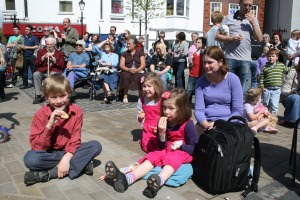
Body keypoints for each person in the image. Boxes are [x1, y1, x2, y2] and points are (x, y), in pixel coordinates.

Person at [104, 88, 198, 198]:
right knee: (152, 156)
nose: (166, 111)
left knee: (174, 157)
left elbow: (193, 147)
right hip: (167, 148)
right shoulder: (163, 121)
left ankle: (159, 181)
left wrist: (180, 146)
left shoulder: (188, 124)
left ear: (182, 109)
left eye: (171, 108)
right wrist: (162, 132)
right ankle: (127, 179)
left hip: (182, 152)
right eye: (164, 107)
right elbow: (161, 146)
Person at [23, 74, 102, 185]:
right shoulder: (39, 115)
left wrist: (66, 158)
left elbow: (75, 138)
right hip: (49, 153)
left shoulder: (77, 111)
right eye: (53, 97)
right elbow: (37, 147)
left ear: (69, 94)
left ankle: (50, 174)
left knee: (95, 146)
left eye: (62, 96)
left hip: (69, 151)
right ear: (46, 97)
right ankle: (82, 165)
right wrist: (49, 125)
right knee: (30, 158)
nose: (59, 101)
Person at [215, 0, 263, 94]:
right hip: (230, 57)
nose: (248, 7)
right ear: (240, 4)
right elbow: (217, 36)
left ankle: (237, 107)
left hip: (245, 59)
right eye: (245, 5)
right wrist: (231, 39)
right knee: (227, 86)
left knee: (240, 89)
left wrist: (253, 22)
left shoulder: (253, 19)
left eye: (250, 5)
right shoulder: (229, 18)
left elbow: (260, 38)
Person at [194, 46, 243, 134]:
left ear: (220, 62)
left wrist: (219, 124)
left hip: (229, 122)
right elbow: (198, 110)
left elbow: (237, 110)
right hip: (207, 122)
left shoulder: (233, 79)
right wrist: (205, 123)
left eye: (210, 62)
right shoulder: (200, 82)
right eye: (204, 62)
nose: (206, 66)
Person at [32, 37, 65, 104]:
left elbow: (62, 66)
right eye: (47, 44)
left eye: (51, 44)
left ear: (54, 45)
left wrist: (54, 59)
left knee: (53, 74)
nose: (49, 46)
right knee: (36, 74)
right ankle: (39, 95)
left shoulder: (59, 53)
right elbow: (36, 63)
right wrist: (42, 58)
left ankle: (54, 94)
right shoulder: (41, 51)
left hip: (53, 71)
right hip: (43, 71)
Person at [137, 73, 164, 153]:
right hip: (148, 128)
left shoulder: (161, 100)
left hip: (160, 126)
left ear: (156, 87)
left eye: (149, 86)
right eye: (144, 86)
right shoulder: (141, 101)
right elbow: (139, 115)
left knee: (162, 144)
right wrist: (140, 117)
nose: (146, 89)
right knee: (147, 146)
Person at [260, 48, 289, 115]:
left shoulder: (281, 65)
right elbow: (261, 78)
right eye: (269, 56)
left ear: (277, 57)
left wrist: (295, 67)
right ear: (267, 57)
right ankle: (264, 119)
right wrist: (262, 87)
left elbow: (288, 70)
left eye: (273, 56)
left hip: (277, 89)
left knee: (274, 106)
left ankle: (272, 120)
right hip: (266, 89)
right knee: (265, 105)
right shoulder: (265, 67)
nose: (271, 58)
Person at [118, 37, 146, 103]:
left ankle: (141, 95)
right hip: (127, 70)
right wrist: (128, 69)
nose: (128, 45)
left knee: (141, 76)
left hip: (138, 70)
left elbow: (143, 64)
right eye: (127, 44)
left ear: (134, 44)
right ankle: (125, 95)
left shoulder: (140, 53)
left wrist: (137, 70)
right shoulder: (124, 53)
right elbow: (121, 65)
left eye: (129, 44)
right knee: (125, 75)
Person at [94, 39, 119, 103]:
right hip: (103, 71)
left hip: (112, 71)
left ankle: (106, 96)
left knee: (103, 76)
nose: (106, 46)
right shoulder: (102, 54)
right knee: (102, 75)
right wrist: (105, 41)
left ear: (111, 46)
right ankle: (108, 91)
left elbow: (115, 64)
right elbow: (95, 47)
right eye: (105, 45)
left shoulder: (115, 55)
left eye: (108, 45)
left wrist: (106, 63)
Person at [279, 62, 300, 128]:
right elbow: (284, 90)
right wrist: (296, 91)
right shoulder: (293, 72)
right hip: (289, 96)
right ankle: (293, 121)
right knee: (296, 98)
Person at [187, 37, 206, 105]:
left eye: (199, 42)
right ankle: (188, 105)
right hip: (192, 74)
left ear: (203, 44)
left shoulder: (203, 53)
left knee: (199, 90)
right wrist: (190, 61)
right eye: (196, 42)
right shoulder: (194, 53)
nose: (197, 44)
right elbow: (191, 64)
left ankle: (198, 104)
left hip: (200, 75)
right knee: (189, 90)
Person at [19, 25, 39, 89]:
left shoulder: (34, 38)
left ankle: (35, 84)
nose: (26, 30)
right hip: (24, 56)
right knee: (24, 72)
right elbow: (18, 44)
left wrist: (27, 47)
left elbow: (37, 46)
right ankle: (25, 84)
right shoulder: (22, 37)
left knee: (34, 71)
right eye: (26, 29)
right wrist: (20, 46)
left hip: (31, 56)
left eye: (28, 29)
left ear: (31, 30)